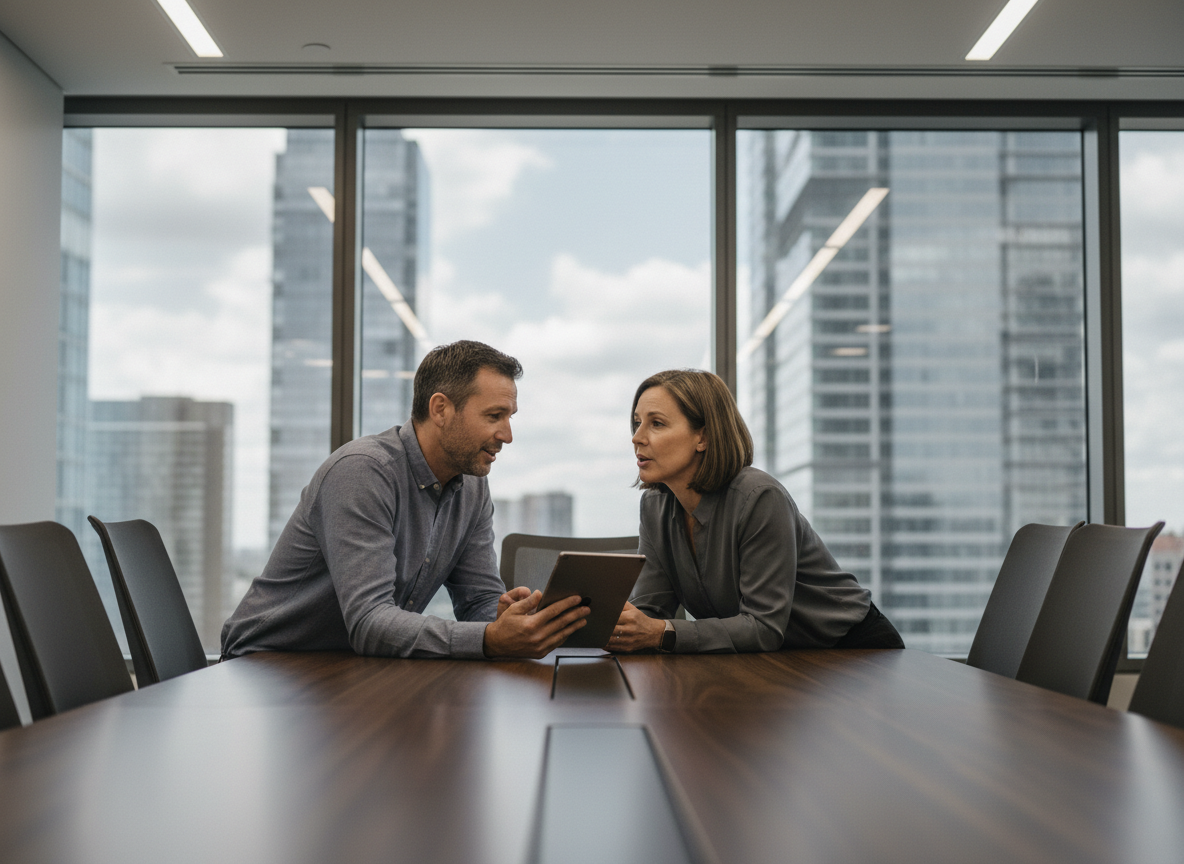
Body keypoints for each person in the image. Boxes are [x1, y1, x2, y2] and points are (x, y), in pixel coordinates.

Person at [221, 340, 589, 661]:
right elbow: (370, 621)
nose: (507, 435)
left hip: (354, 666)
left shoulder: (473, 488)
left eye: (509, 417)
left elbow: (478, 602)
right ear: (440, 409)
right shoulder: (363, 472)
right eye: (494, 416)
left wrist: (512, 620)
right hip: (268, 663)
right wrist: (490, 639)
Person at [609, 369, 903, 654]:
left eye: (657, 423)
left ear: (703, 437)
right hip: (779, 657)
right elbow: (650, 611)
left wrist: (661, 633)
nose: (637, 437)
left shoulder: (759, 497)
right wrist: (610, 622)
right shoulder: (654, 507)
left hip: (854, 650)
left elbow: (763, 627)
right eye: (637, 423)